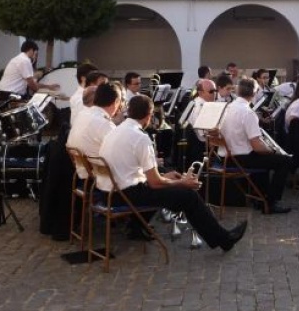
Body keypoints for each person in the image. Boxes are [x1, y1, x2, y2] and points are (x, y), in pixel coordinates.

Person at [100, 95, 248, 252]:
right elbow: (154, 183)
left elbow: (132, 172)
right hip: (123, 196)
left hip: (107, 192)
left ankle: (135, 227)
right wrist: (182, 183)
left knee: (166, 176)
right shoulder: (140, 137)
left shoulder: (115, 131)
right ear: (149, 115)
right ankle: (224, 240)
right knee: (188, 195)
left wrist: (164, 177)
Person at [217, 78, 295, 214]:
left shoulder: (227, 107)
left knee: (263, 158)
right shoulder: (248, 113)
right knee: (285, 161)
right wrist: (273, 150)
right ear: (254, 93)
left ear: (238, 91)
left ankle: (260, 199)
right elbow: (257, 146)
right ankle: (271, 202)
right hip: (240, 159)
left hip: (225, 157)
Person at [65, 83, 122, 173]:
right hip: (103, 179)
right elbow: (120, 156)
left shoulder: (82, 114)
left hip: (83, 174)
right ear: (116, 102)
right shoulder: (105, 124)